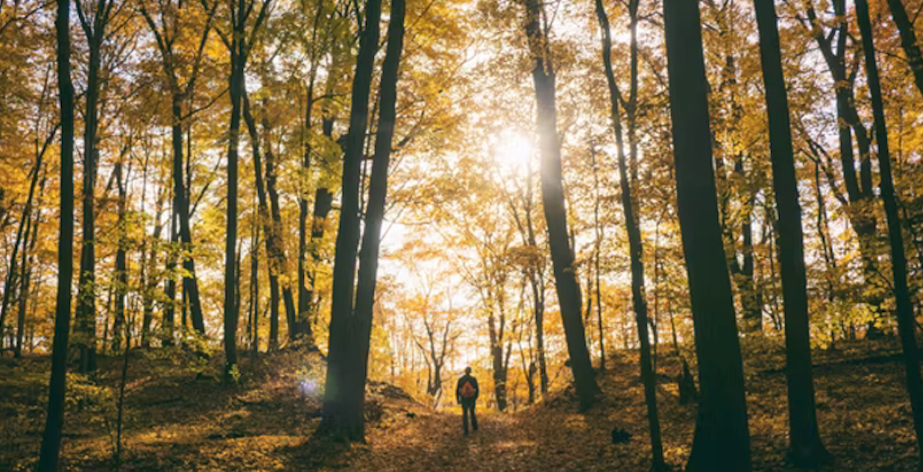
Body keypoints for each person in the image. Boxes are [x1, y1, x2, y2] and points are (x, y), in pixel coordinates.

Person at [456, 366, 479, 435]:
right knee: (472, 412)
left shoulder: (461, 379)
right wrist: (475, 397)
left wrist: (458, 399)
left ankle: (466, 431)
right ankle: (475, 427)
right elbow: (477, 389)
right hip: (471, 398)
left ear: (465, 371)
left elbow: (457, 390)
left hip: (464, 398)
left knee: (465, 414)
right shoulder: (473, 379)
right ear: (470, 371)